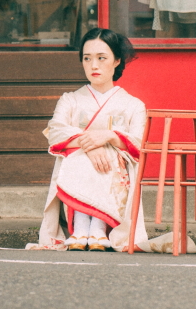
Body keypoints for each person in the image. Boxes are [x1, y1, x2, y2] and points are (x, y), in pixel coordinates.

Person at [37, 28, 148, 251]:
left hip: (114, 172)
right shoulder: (70, 100)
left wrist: (108, 137)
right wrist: (91, 145)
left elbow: (138, 142)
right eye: (87, 59)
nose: (93, 65)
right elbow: (55, 132)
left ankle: (98, 227)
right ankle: (80, 226)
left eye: (101, 58)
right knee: (83, 154)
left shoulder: (133, 105)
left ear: (117, 60)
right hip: (76, 163)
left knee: (107, 152)